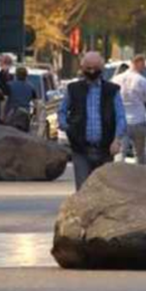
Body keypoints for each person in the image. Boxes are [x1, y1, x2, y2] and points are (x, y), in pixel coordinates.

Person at [58, 52, 127, 190]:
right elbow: (62, 111)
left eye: (95, 68)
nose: (91, 71)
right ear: (82, 68)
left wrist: (117, 138)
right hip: (80, 148)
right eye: (88, 68)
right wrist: (66, 126)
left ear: (101, 68)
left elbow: (120, 116)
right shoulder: (73, 89)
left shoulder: (112, 90)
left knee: (104, 189)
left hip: (105, 148)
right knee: (83, 189)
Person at [113, 55, 146, 166]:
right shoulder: (142, 81)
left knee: (120, 152)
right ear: (137, 63)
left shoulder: (116, 80)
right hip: (139, 121)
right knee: (140, 154)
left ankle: (117, 177)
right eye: (143, 64)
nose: (144, 67)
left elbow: (109, 100)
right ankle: (139, 178)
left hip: (121, 122)